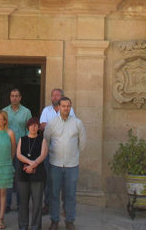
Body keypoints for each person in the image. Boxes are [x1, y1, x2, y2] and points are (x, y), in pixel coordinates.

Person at [43, 97, 85, 230]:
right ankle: (54, 220)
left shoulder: (77, 123)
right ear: (59, 107)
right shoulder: (52, 123)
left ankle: (70, 221)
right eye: (63, 106)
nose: (66, 108)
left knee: (70, 194)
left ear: (71, 107)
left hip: (72, 165)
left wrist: (74, 154)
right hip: (55, 164)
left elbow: (82, 143)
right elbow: (46, 141)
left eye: (68, 106)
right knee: (54, 193)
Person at [38, 88, 75, 214]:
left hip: (65, 152)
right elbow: (42, 126)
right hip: (49, 151)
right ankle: (48, 205)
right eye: (53, 95)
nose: (54, 97)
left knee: (65, 182)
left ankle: (65, 208)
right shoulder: (46, 110)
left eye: (57, 95)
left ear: (62, 97)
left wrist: (51, 127)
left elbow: (71, 126)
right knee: (49, 180)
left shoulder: (69, 110)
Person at [2, 89, 31, 213]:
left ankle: (20, 204)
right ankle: (7, 204)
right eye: (12, 96)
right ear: (10, 97)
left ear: (20, 98)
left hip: (21, 149)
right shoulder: (4, 111)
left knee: (20, 178)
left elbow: (29, 130)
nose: (14, 98)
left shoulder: (26, 112)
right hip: (7, 149)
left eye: (16, 96)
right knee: (8, 177)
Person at [16, 117, 48, 230]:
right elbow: (18, 154)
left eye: (35, 125)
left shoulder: (42, 140)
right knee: (23, 202)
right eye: (31, 125)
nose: (33, 127)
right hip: (23, 173)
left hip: (38, 175)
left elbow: (43, 155)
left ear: (38, 127)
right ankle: (23, 225)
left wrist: (33, 165)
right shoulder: (22, 139)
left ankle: (35, 226)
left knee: (37, 203)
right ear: (28, 127)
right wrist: (30, 163)